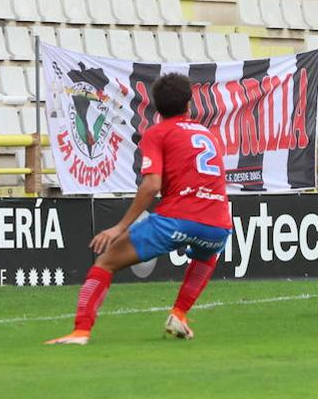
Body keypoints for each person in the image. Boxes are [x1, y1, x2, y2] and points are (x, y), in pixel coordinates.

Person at [46, 73, 232, 345]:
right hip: (219, 224)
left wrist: (120, 227)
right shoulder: (207, 134)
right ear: (189, 105)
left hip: (176, 220)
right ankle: (179, 314)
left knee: (106, 261)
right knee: (206, 257)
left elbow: (151, 185)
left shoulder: (157, 133)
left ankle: (81, 331)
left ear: (156, 108)